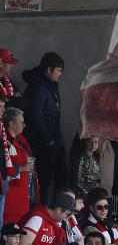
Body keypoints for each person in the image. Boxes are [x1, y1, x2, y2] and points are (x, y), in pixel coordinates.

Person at [22, 52, 66, 204]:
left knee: (53, 179)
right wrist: (48, 140)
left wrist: (58, 140)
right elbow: (34, 116)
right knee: (42, 181)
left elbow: (55, 116)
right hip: (39, 144)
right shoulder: (39, 86)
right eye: (59, 70)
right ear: (49, 69)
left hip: (50, 142)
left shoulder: (50, 85)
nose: (60, 74)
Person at [2, 107, 35, 229]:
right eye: (21, 122)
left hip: (23, 197)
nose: (24, 125)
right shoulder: (4, 142)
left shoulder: (20, 140)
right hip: (11, 199)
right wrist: (22, 168)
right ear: (11, 123)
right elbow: (4, 169)